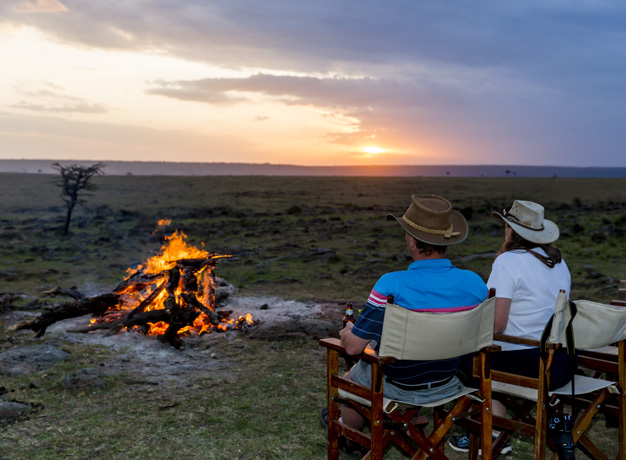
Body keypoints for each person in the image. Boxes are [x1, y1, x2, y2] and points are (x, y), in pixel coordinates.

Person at [320, 194, 488, 455]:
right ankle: (412, 423)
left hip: (399, 384)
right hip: (448, 380)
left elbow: (353, 349)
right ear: (446, 241)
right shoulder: (475, 283)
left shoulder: (392, 284)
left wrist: (347, 332)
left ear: (411, 240)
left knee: (350, 378)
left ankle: (350, 437)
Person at [449, 199, 574, 454]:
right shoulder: (559, 262)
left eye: (506, 227)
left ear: (511, 231)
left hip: (529, 362)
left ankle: (493, 431)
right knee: (484, 356)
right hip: (561, 363)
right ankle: (498, 427)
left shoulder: (508, 262)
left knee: (461, 357)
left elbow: (497, 324)